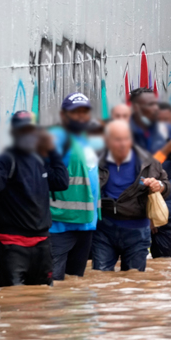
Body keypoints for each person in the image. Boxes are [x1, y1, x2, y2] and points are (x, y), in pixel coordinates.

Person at [0, 111, 69, 287]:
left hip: (42, 244)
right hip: (13, 245)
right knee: (13, 301)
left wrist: (52, 150)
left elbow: (61, 182)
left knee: (41, 299)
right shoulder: (7, 159)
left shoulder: (41, 159)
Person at [129, 88, 171, 258]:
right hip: (133, 211)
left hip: (165, 208)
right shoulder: (122, 134)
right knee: (133, 268)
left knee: (163, 265)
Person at [94, 120, 169, 272]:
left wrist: (159, 186)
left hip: (137, 230)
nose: (123, 144)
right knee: (100, 280)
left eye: (126, 139)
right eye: (117, 140)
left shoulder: (149, 161)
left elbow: (167, 185)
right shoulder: (95, 160)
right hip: (104, 230)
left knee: (134, 282)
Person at [48, 92, 101, 282]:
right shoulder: (55, 139)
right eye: (75, 112)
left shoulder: (86, 140)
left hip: (86, 224)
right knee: (52, 286)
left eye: (84, 112)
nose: (81, 116)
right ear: (63, 115)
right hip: (59, 226)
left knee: (74, 286)